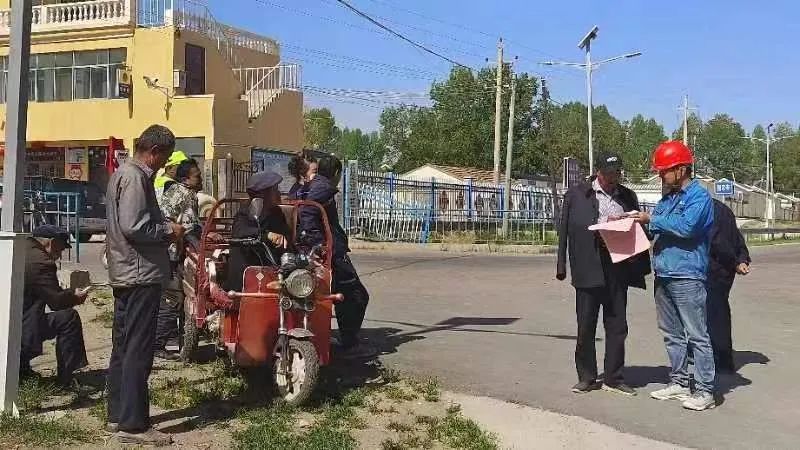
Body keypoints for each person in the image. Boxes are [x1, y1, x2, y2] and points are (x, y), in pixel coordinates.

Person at [106, 124, 184, 445]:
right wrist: (169, 231)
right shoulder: (136, 177)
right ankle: (134, 425)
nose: (164, 164)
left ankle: (117, 415)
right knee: (137, 349)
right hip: (140, 274)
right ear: (154, 151)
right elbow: (135, 226)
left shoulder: (121, 174)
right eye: (165, 157)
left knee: (123, 346)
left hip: (126, 272)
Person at [630, 140, 717, 411]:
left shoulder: (699, 197)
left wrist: (651, 220)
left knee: (697, 335)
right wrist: (632, 223)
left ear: (681, 169)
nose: (660, 176)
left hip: (687, 275)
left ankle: (705, 390)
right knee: (671, 333)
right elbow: (655, 230)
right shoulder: (667, 199)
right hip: (664, 273)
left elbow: (687, 227)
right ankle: (679, 382)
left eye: (664, 171)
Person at [556, 154, 651, 396]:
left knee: (617, 326)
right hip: (587, 268)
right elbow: (564, 230)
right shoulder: (577, 194)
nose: (613, 178)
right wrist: (561, 266)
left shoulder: (627, 196)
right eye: (609, 173)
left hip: (617, 268)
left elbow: (639, 229)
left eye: (617, 173)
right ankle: (587, 377)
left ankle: (614, 377)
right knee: (585, 326)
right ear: (598, 171)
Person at [297, 155, 372, 358]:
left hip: (327, 250)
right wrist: (317, 243)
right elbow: (308, 212)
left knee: (339, 294)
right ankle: (350, 344)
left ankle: (341, 338)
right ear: (337, 173)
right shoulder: (323, 188)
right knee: (356, 296)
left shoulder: (311, 185)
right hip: (331, 253)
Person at [21, 225, 89, 388]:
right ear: (51, 243)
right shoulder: (41, 262)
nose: (59, 255)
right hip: (17, 333)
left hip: (10, 322)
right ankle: (66, 379)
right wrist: (74, 296)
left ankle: (22, 370)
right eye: (60, 250)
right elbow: (56, 302)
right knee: (69, 317)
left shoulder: (20, 249)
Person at [154, 159, 204, 361]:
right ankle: (157, 344)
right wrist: (200, 247)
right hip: (169, 253)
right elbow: (188, 228)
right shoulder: (184, 194)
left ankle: (176, 339)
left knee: (175, 296)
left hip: (167, 251)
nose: (201, 179)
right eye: (197, 176)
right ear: (186, 179)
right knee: (173, 296)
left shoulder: (179, 191)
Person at [224, 170, 290, 292]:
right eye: (275, 190)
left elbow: (287, 237)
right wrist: (267, 235)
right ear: (263, 195)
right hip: (246, 276)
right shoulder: (245, 212)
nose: (279, 193)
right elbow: (240, 231)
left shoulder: (277, 213)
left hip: (272, 272)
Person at [708, 198, 751, 373]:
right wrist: (741, 258)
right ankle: (717, 358)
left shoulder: (705, 208)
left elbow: (718, 241)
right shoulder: (721, 207)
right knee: (717, 313)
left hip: (713, 269)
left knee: (714, 315)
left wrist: (736, 260)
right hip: (722, 269)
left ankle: (721, 361)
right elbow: (736, 237)